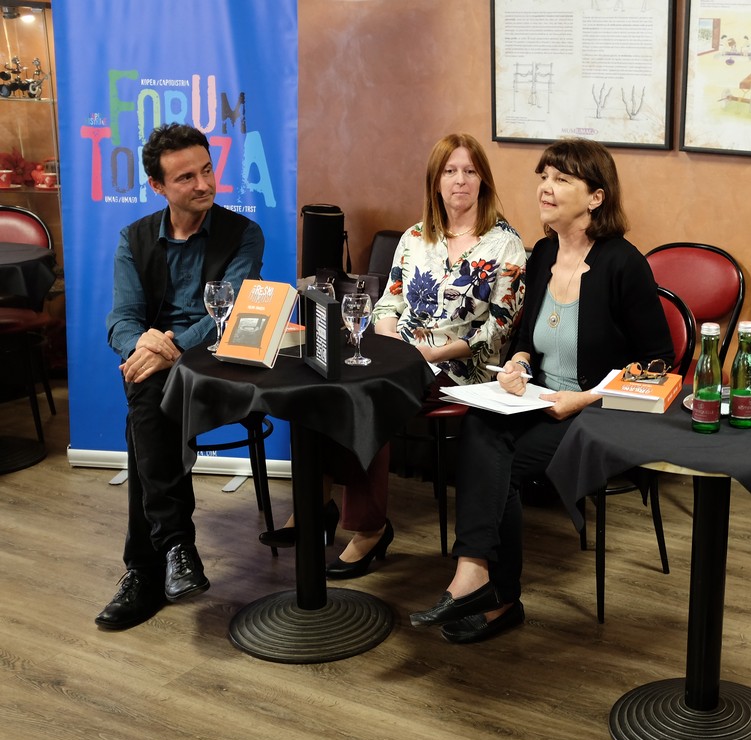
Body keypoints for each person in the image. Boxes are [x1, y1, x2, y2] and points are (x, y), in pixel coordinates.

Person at [408, 137, 672, 644]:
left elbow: (658, 362)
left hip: (599, 411)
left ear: (596, 197)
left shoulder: (623, 264)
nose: (545, 189)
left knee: (497, 463)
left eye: (561, 180)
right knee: (481, 427)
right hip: (543, 398)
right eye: (543, 177)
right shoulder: (545, 251)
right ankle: (476, 575)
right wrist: (520, 363)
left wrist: (585, 398)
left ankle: (495, 594)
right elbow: (527, 335)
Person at [257, 133, 526, 578]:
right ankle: (315, 503)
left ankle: (369, 529)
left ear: (484, 180)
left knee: (373, 397)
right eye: (450, 171)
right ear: (436, 181)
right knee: (324, 380)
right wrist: (389, 342)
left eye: (469, 171)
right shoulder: (416, 236)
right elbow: (386, 304)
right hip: (397, 354)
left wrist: (435, 350)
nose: (460, 180)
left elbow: (499, 327)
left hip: (459, 366)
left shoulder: (504, 244)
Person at [95, 123, 265, 630]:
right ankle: (172, 552)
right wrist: (141, 348)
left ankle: (148, 566)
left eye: (207, 170)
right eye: (186, 177)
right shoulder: (134, 239)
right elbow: (122, 320)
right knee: (146, 392)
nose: (204, 184)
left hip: (218, 366)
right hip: (159, 369)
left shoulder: (244, 234)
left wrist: (168, 349)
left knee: (143, 401)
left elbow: (229, 316)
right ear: (158, 186)